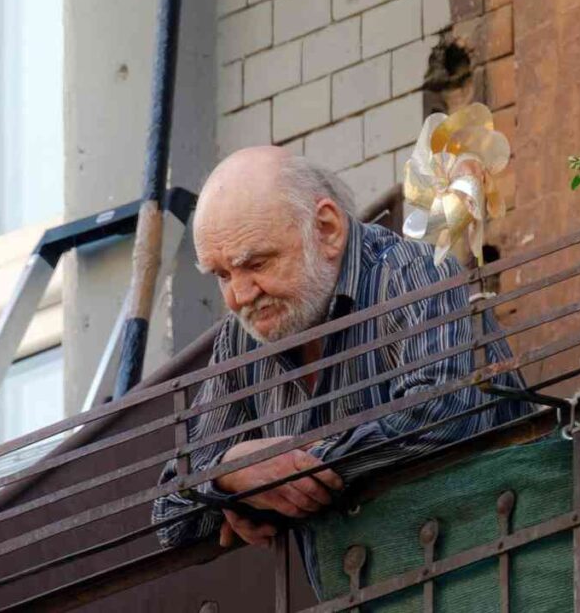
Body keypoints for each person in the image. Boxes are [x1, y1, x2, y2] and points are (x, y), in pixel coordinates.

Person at [152, 146, 532, 595]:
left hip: (501, 576)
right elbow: (168, 515)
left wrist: (285, 472)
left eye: (256, 264)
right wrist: (228, 476)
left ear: (327, 230)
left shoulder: (412, 273)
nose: (239, 296)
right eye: (220, 274)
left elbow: (448, 413)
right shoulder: (239, 341)